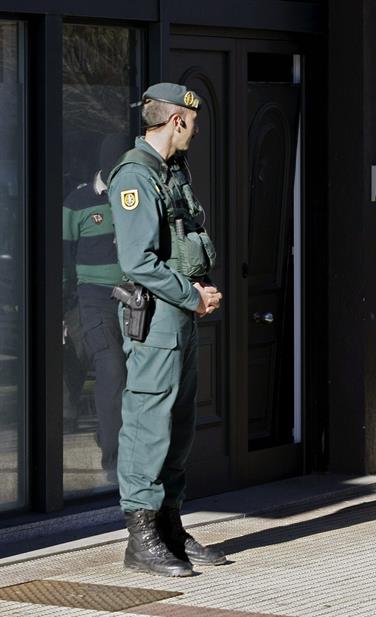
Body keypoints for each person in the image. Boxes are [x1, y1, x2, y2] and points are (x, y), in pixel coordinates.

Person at [108, 83, 225, 576]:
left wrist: (199, 290)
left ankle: (170, 526)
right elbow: (137, 260)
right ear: (177, 121)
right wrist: (191, 294)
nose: (194, 132)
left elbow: (181, 240)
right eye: (192, 123)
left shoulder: (169, 172)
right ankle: (142, 538)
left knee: (178, 423)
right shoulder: (135, 177)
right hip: (155, 316)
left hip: (177, 314)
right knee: (148, 423)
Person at [62, 134, 129, 482]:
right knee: (111, 370)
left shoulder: (133, 198)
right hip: (93, 298)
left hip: (134, 297)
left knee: (136, 377)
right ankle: (112, 460)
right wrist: (61, 308)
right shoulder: (77, 203)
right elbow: (63, 258)